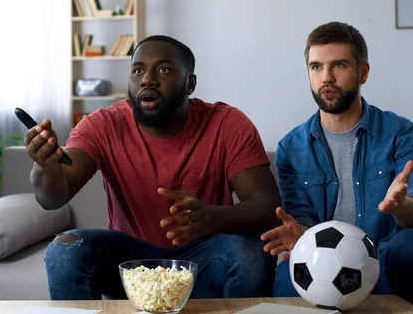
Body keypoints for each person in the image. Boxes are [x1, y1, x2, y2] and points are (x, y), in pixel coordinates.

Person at [23, 35, 281, 300]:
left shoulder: (227, 123)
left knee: (252, 251)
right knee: (65, 250)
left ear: (190, 83)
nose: (147, 79)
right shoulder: (102, 124)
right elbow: (52, 199)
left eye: (163, 69)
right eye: (138, 70)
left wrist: (212, 217)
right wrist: (45, 167)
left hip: (203, 261)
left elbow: (268, 206)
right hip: (130, 266)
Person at [261, 22, 413, 314]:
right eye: (316, 66)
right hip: (322, 267)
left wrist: (402, 204)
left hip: (383, 261)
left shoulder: (401, 133)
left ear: (363, 72)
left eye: (339, 65)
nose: (326, 77)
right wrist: (300, 233)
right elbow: (303, 219)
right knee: (286, 274)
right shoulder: (290, 148)